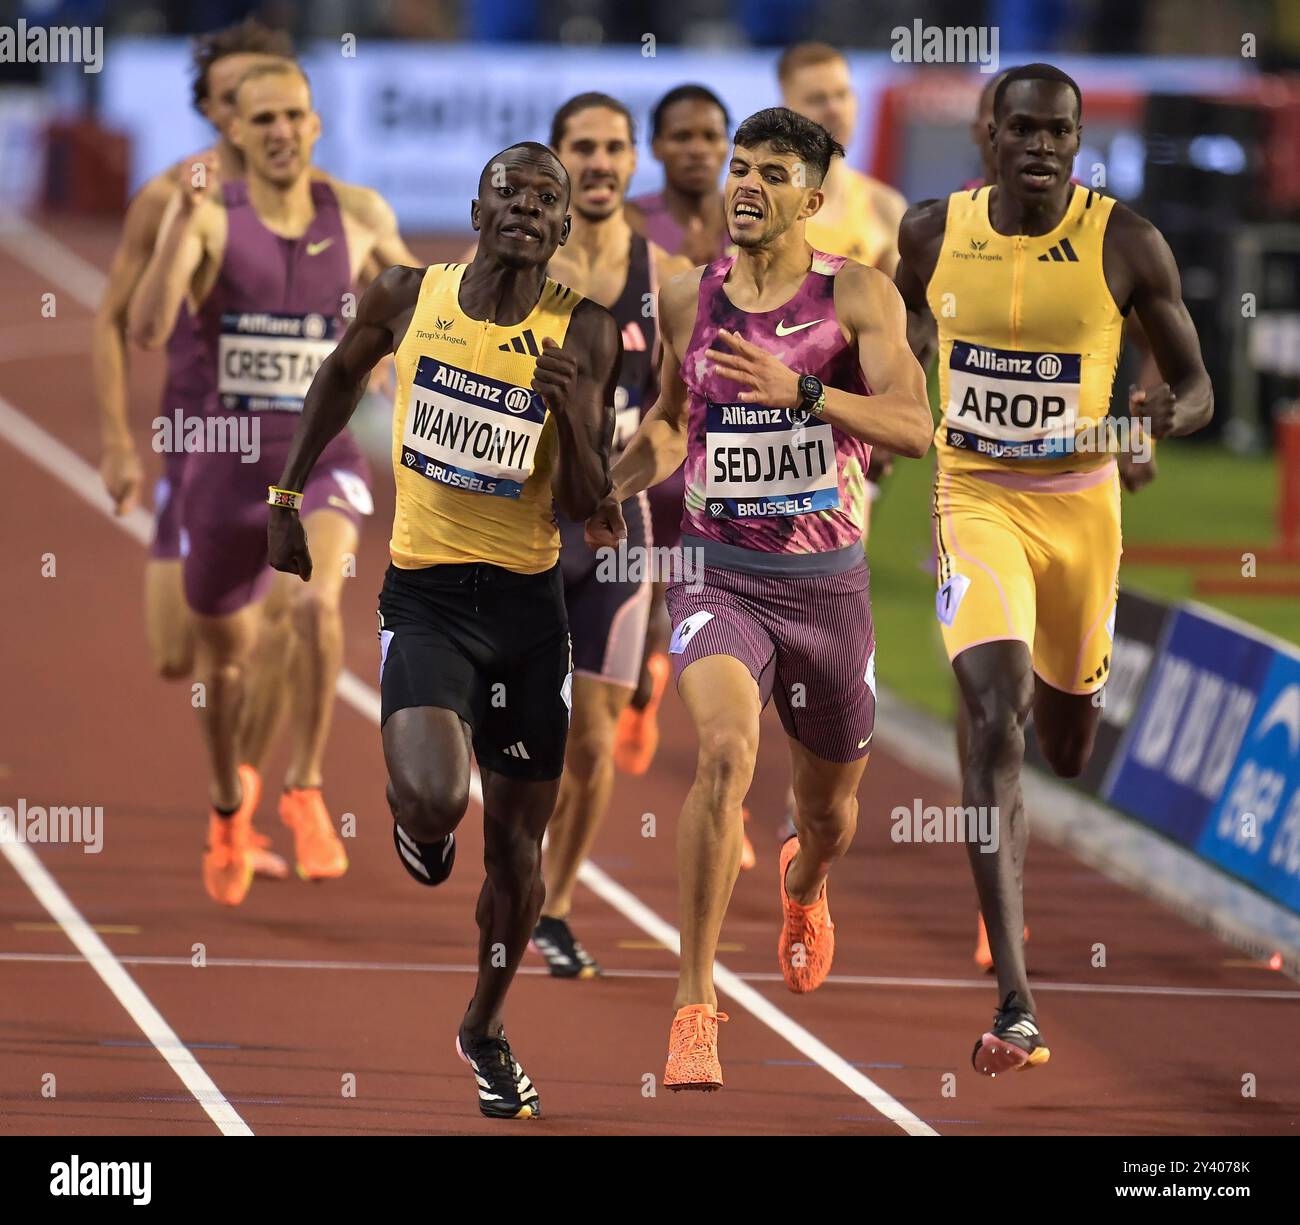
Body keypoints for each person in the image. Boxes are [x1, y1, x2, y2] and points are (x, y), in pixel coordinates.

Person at [268, 143, 618, 1118]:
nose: (526, 209)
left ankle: (484, 1025)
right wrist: (286, 494)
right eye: (510, 193)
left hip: (526, 614)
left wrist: (572, 417)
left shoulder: (582, 333)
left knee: (515, 857)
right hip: (425, 596)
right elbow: (338, 377)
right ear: (476, 207)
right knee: (432, 801)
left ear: (562, 231)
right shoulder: (404, 295)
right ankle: (416, 825)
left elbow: (593, 508)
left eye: (546, 202)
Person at [588, 107, 932, 1090]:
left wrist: (807, 395)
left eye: (773, 173)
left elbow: (913, 426)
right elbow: (666, 426)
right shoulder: (683, 296)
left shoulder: (857, 295)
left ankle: (805, 886)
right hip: (718, 575)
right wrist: (603, 490)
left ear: (814, 198)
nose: (745, 184)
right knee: (729, 752)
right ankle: (695, 1003)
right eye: (740, 166)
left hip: (826, 592)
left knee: (826, 817)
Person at [894, 63, 1212, 1074]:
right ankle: (1017, 1001)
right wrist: (902, 378)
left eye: (1060, 133)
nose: (1042, 148)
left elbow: (1199, 385)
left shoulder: (1126, 241)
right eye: (1023, 129)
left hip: (1080, 512)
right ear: (987, 133)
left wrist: (1161, 418)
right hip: (973, 497)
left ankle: (1015, 781)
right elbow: (899, 317)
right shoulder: (931, 230)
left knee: (1065, 747)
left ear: (1078, 141)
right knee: (992, 708)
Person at [128, 60, 417, 905]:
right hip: (223, 468)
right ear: (237, 134)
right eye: (264, 121)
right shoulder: (212, 217)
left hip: (320, 458)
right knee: (221, 669)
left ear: (317, 124)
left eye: (296, 115)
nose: (283, 131)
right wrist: (183, 226)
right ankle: (228, 803)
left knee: (314, 607)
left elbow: (436, 303)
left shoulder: (359, 216)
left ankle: (303, 785)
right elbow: (148, 325)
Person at [93, 19, 298, 879]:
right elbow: (116, 320)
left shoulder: (318, 202)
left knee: (287, 625)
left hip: (287, 463)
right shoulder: (173, 194)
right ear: (217, 111)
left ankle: (241, 802)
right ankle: (234, 783)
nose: (261, 116)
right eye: (237, 99)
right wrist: (115, 442)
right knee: (182, 654)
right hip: (197, 452)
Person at [529, 93, 691, 977]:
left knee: (592, 739)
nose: (598, 162)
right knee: (515, 730)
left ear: (636, 163)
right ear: (557, 159)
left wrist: (622, 493)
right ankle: (506, 867)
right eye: (581, 147)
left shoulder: (666, 280)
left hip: (618, 531)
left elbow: (675, 419)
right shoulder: (516, 270)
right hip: (519, 523)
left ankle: (551, 906)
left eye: (613, 148)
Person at [618, 85, 734, 780]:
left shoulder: (751, 223)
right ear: (656, 147)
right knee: (644, 601)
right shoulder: (629, 225)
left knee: (720, 621)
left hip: (729, 444)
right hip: (651, 430)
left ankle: (726, 778)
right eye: (682, 136)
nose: (698, 149)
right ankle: (637, 683)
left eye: (711, 136)